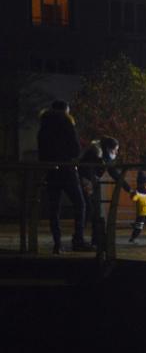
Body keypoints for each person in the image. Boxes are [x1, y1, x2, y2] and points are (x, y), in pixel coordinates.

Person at [37, 100, 92, 254]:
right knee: (80, 205)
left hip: (51, 171)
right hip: (67, 170)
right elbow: (75, 150)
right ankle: (78, 240)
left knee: (54, 209)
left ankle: (57, 243)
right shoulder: (66, 122)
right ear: (65, 111)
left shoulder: (44, 125)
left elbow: (42, 151)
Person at [78, 136, 132, 249]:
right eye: (115, 150)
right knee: (88, 210)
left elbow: (115, 174)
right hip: (85, 184)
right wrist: (88, 182)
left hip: (91, 184)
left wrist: (129, 189)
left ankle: (95, 240)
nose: (116, 152)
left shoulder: (104, 157)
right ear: (108, 148)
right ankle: (81, 240)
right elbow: (87, 169)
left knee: (95, 212)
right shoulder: (95, 154)